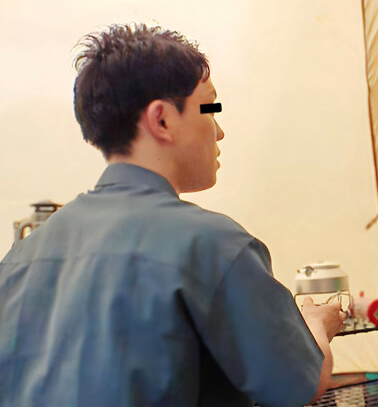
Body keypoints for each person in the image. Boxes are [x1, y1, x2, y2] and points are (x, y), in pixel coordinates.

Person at [0, 23, 344, 406]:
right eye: (209, 108)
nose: (219, 132)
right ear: (162, 120)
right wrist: (316, 323)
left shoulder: (19, 259)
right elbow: (298, 385)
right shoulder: (211, 245)